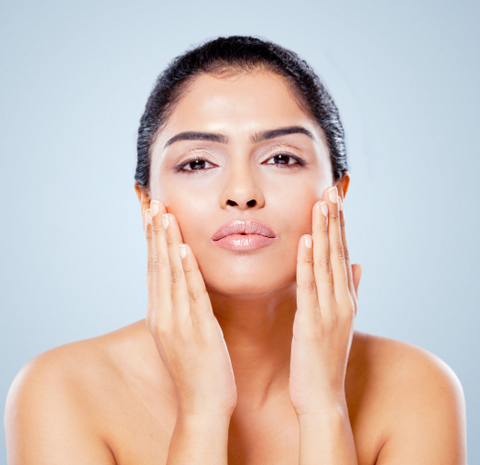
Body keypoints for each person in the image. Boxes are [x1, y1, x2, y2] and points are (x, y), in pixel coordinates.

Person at [5, 35, 467, 465]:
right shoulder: (61, 391)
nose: (242, 192)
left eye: (281, 158)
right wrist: (202, 412)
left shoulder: (417, 388)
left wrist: (325, 409)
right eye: (198, 162)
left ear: (337, 194)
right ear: (147, 203)